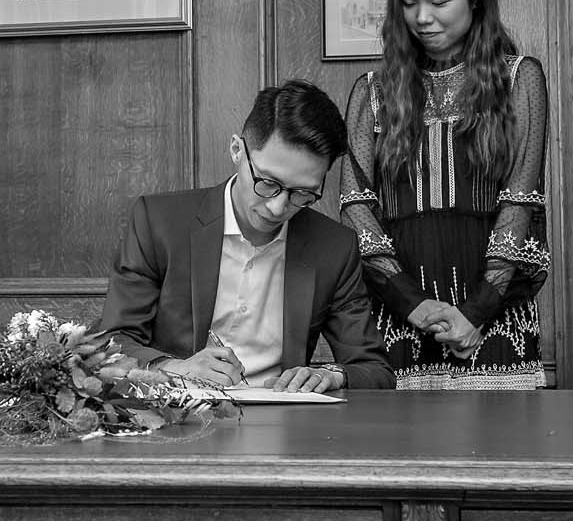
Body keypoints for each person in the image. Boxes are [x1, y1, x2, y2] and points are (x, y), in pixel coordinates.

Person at [338, 0, 549, 389]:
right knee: (399, 456)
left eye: (438, 1)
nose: (422, 17)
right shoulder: (371, 93)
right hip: (397, 314)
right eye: (409, 3)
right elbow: (356, 208)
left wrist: (476, 313)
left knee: (500, 452)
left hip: (492, 315)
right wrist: (412, 303)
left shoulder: (520, 80)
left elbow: (520, 200)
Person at [100, 79, 394, 392]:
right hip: (178, 419)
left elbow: (375, 370)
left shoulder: (333, 247)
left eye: (303, 194)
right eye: (268, 183)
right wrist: (176, 369)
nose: (278, 206)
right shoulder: (159, 221)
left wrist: (333, 375)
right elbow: (111, 343)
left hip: (285, 426)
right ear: (237, 150)